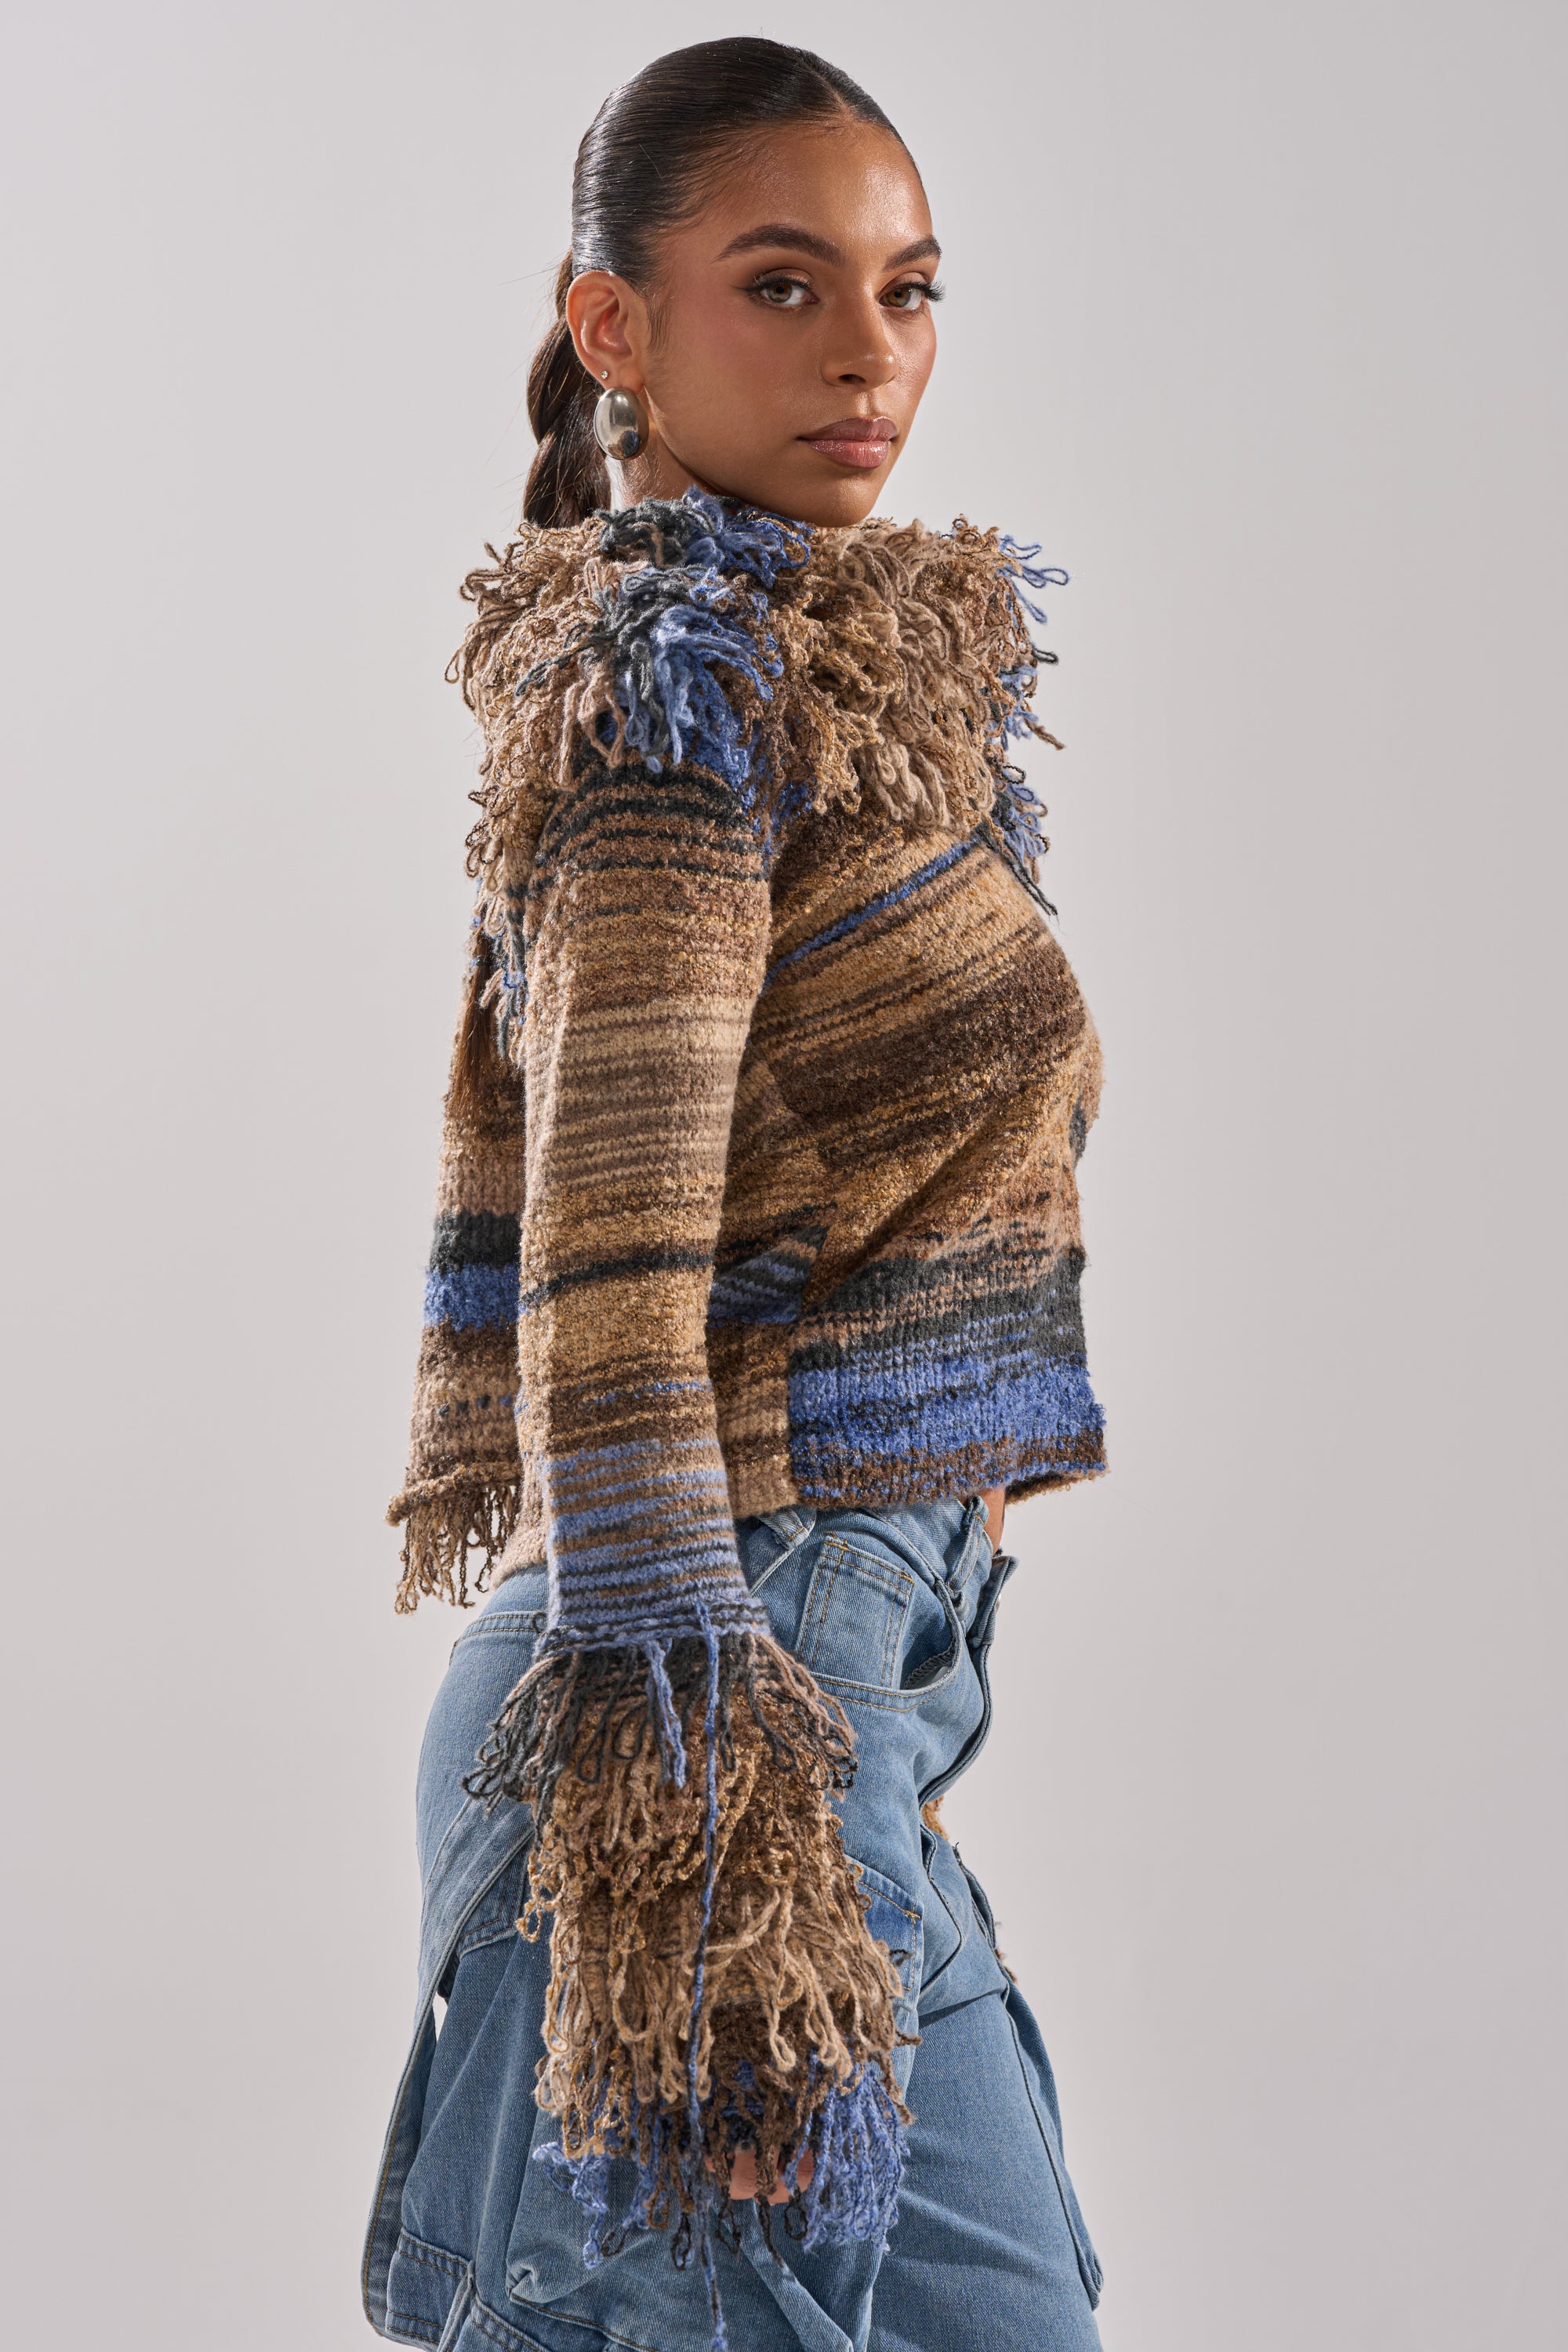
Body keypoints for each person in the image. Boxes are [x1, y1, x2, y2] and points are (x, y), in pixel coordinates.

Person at [363, 36, 1107, 2352]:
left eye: (906, 291)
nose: (867, 355)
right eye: (784, 287)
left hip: (837, 1699)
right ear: (618, 327)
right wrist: (732, 1826)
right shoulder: (676, 714)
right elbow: (607, 1283)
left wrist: (877, 1729)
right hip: (707, 1724)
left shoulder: (840, 676)